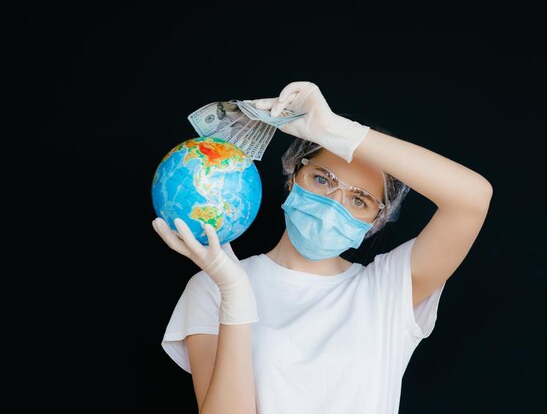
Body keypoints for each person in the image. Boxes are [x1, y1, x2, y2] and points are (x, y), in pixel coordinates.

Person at [152, 81, 493, 414]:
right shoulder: (214, 287)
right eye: (322, 179)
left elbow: (473, 199)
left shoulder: (389, 290)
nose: (334, 202)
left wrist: (335, 130)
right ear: (292, 178)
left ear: (376, 221)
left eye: (359, 200)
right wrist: (235, 292)